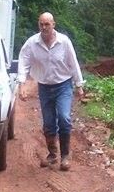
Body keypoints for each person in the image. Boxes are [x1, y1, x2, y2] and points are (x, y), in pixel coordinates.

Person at [17, 12, 85, 171]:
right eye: (41, 24)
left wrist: (79, 85)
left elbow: (73, 62)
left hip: (63, 85)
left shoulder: (64, 42)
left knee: (64, 118)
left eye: (47, 24)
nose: (44, 27)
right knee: (48, 123)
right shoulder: (32, 43)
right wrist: (22, 85)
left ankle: (66, 156)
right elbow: (23, 60)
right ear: (38, 24)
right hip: (45, 87)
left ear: (54, 24)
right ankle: (53, 155)